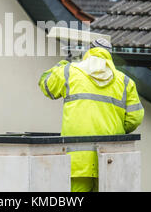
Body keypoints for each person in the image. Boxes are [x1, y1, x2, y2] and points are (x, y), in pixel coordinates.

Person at [38, 38, 144, 192]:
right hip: (110, 160)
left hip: (77, 162)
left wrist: (64, 63)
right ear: (109, 55)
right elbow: (135, 118)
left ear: (89, 51)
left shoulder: (70, 71)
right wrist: (113, 128)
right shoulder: (125, 81)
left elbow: (46, 85)